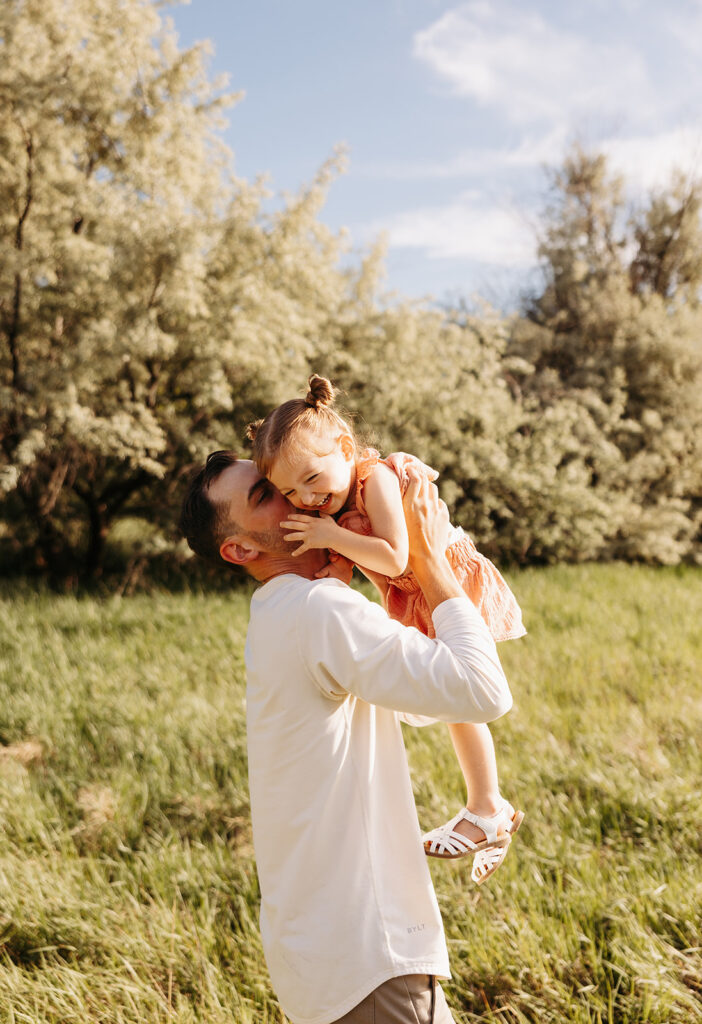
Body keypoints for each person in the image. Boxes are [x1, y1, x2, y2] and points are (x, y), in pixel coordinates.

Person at [179, 450, 514, 1024]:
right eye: (266, 495)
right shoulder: (318, 611)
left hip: (325, 957)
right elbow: (483, 691)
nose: (296, 496)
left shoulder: (282, 613)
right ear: (240, 550)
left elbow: (419, 696)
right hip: (370, 955)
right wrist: (430, 560)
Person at [247, 375, 525, 883]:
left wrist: (329, 535)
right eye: (289, 491)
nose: (305, 497)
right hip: (413, 591)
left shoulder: (372, 480)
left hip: (443, 579)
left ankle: (488, 808)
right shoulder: (332, 504)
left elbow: (397, 554)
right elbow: (348, 564)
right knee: (450, 705)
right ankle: (488, 808)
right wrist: (330, 572)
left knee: (461, 702)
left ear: (345, 448)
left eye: (311, 478)